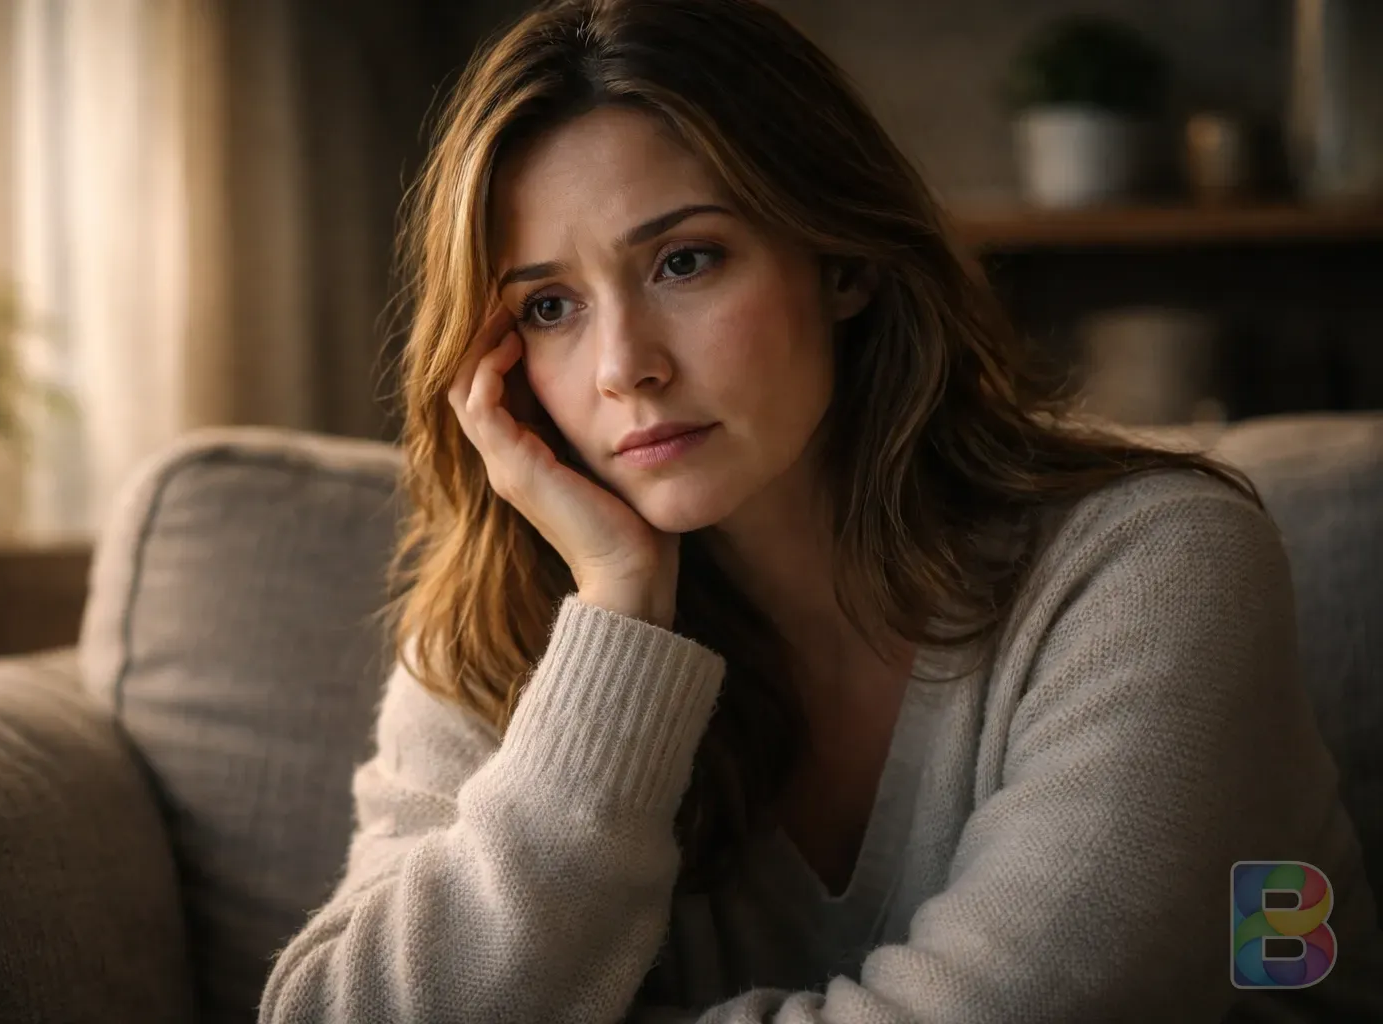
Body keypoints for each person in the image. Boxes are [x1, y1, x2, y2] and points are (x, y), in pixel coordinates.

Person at [259, 0, 1383, 1020]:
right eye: (548, 305)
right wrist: (617, 629)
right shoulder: (504, 629)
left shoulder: (1158, 566)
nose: (623, 365)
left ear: (840, 261)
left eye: (686, 261)